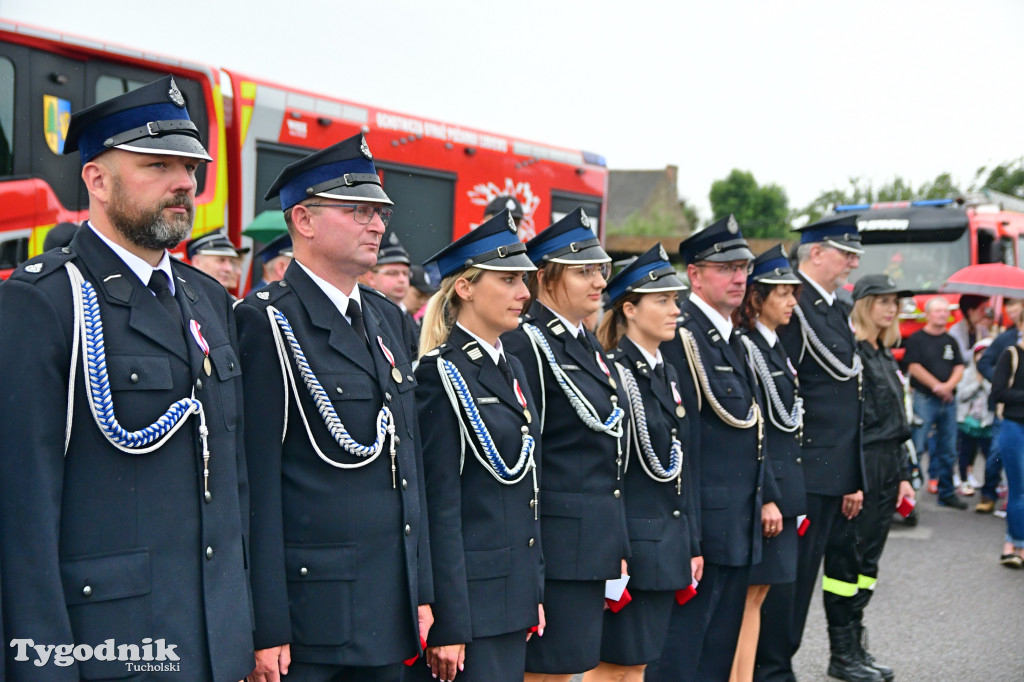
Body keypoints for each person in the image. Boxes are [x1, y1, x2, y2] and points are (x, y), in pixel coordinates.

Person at [0, 75, 255, 680]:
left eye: (191, 167)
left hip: (212, 644)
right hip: (111, 646)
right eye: (157, 165)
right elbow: (21, 512)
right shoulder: (46, 300)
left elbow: (232, 480)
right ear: (96, 179)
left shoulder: (207, 299)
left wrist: (242, 630)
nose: (184, 183)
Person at [235, 133, 432, 682]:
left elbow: (408, 469)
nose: (377, 226)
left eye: (380, 213)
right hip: (312, 617)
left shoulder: (387, 319)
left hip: (387, 606)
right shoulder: (265, 320)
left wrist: (422, 590)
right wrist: (266, 623)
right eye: (359, 211)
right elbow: (257, 483)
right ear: (304, 219)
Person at [405, 210, 544, 682]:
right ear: (465, 288)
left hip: (510, 598)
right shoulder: (439, 374)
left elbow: (527, 493)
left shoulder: (513, 369)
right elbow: (439, 507)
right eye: (508, 280)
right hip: (471, 610)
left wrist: (533, 592)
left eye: (524, 281)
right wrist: (450, 622)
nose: (524, 293)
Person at [501, 207, 630, 682]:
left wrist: (614, 536)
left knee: (571, 668)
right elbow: (527, 455)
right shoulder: (529, 342)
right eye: (583, 271)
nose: (598, 282)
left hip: (587, 541)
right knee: (547, 672)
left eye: (600, 270)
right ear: (546, 278)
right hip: (555, 545)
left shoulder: (586, 343)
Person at [648, 215, 774, 682]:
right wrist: (691, 533)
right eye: (726, 268)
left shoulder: (731, 339)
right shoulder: (684, 339)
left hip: (737, 522)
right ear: (695, 276)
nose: (739, 277)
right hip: (704, 523)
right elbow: (686, 443)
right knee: (683, 656)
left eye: (743, 267)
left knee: (716, 653)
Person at [584, 245, 701, 682]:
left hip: (664, 542)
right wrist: (616, 550)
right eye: (663, 301)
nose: (675, 310)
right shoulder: (615, 373)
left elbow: (679, 465)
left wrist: (690, 541)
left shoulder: (664, 372)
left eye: (676, 300)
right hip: (634, 545)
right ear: (629, 309)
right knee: (614, 666)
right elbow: (611, 472)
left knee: (637, 665)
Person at [760, 213, 867, 682]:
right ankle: (773, 670)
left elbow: (848, 397)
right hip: (804, 471)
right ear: (816, 253)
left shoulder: (832, 308)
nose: (852, 263)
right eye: (845, 253)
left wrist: (852, 477)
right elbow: (781, 392)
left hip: (831, 472)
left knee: (807, 586)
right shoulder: (795, 307)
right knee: (789, 587)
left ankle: (782, 665)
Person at [823, 275, 917, 682]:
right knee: (846, 563)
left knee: (868, 564)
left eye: (895, 302)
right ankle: (841, 654)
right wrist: (851, 478)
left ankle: (856, 647)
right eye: (882, 301)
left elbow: (898, 422)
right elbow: (848, 425)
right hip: (862, 465)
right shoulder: (853, 354)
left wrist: (906, 476)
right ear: (863, 304)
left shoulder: (885, 354)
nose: (891, 308)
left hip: (889, 464)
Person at [730, 246, 806, 682]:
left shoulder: (775, 347)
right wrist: (769, 495)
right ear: (757, 298)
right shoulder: (748, 347)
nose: (792, 302)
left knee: (759, 596)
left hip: (786, 487)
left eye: (793, 293)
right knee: (746, 598)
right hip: (767, 490)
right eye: (782, 294)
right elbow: (756, 432)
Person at [904, 297, 966, 508]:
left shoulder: (950, 340)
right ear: (927, 314)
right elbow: (913, 367)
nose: (942, 314)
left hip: (948, 401)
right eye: (938, 311)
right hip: (924, 399)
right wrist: (937, 387)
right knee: (918, 447)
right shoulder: (916, 339)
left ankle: (947, 492)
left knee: (949, 449)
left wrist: (948, 386)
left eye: (945, 311)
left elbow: (959, 366)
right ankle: (912, 494)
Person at [974, 298, 1023, 513]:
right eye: (1008, 307)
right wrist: (1001, 379)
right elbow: (983, 361)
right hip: (1007, 410)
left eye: (1015, 307)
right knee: (996, 451)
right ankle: (988, 493)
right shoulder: (1006, 338)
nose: (1011, 311)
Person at [990, 306, 1024, 568]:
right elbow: (998, 392)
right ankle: (1015, 544)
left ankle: (1013, 542)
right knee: (1018, 488)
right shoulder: (1011, 354)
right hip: (1015, 427)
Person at [957, 338, 995, 496]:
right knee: (965, 452)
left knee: (990, 454)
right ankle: (964, 480)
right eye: (979, 354)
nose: (982, 357)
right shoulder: (967, 373)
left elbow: (995, 394)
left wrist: (985, 381)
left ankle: (992, 483)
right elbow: (961, 395)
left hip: (986, 422)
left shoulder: (995, 374)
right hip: (968, 421)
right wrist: (976, 383)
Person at [947, 294, 990, 367]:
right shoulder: (955, 331)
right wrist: (980, 349)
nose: (984, 313)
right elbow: (963, 357)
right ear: (970, 311)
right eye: (981, 310)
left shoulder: (981, 328)